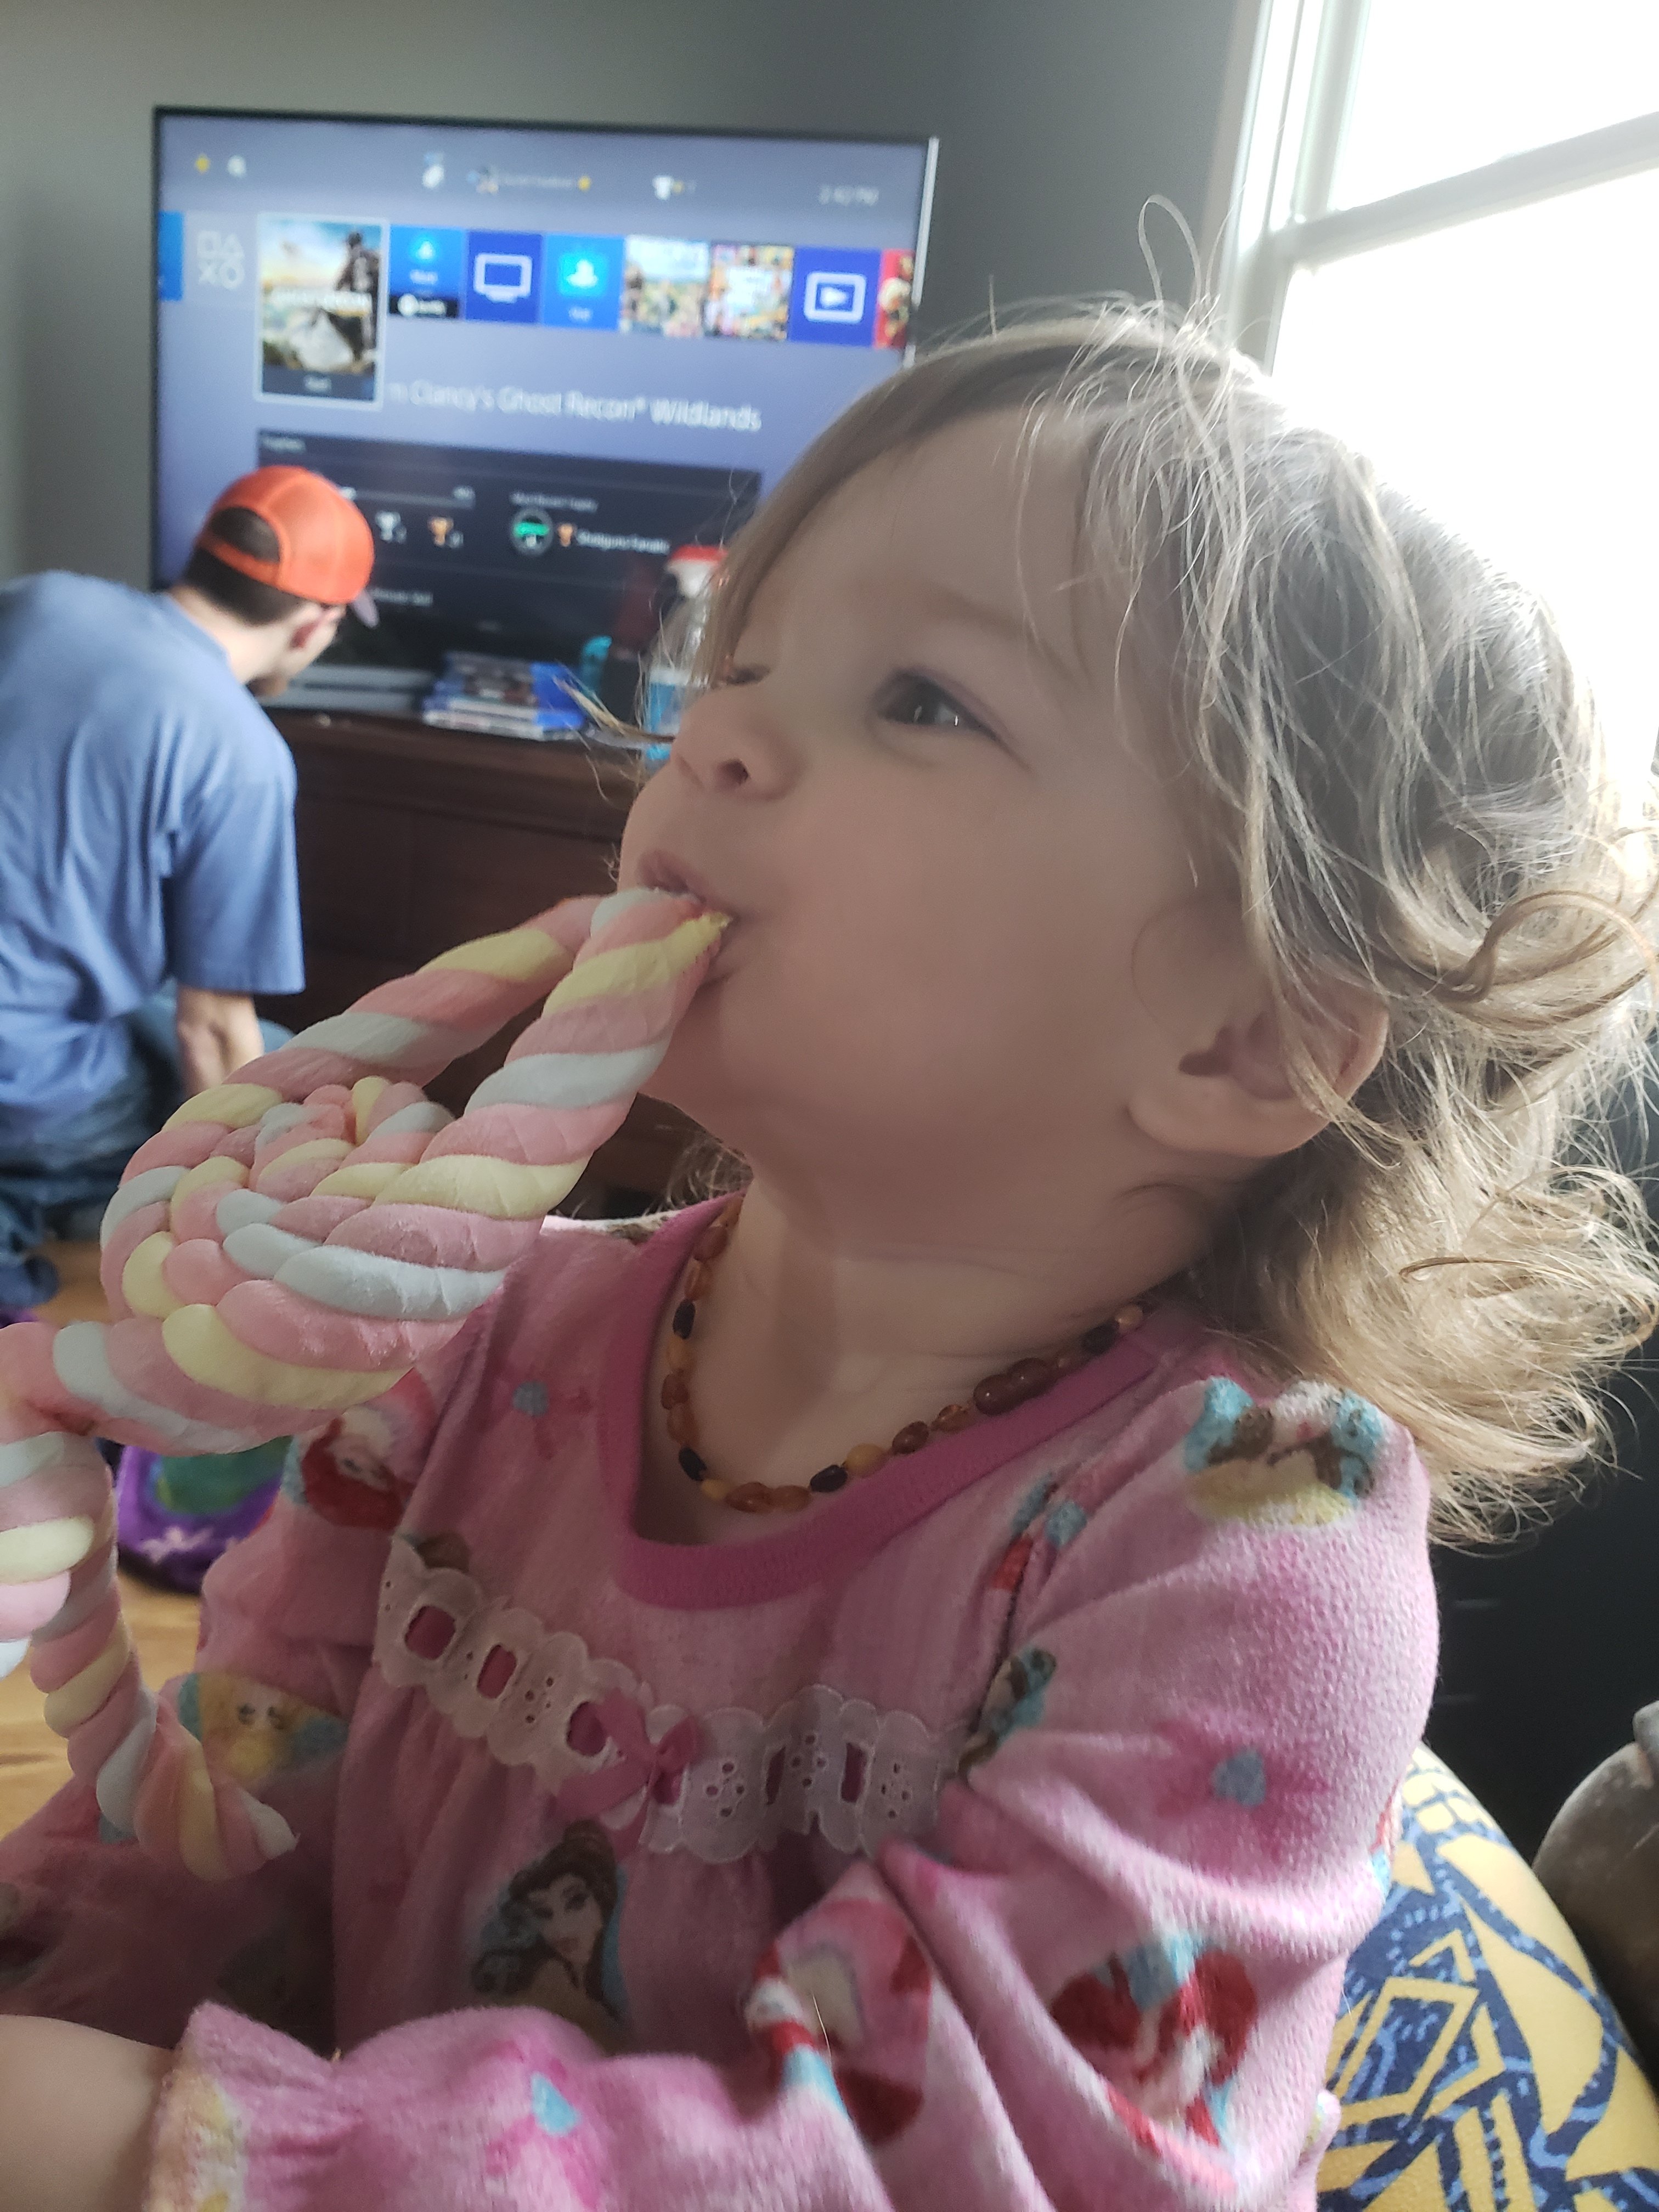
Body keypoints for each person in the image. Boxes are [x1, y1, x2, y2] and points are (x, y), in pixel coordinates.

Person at [0, 303, 1654, 2212]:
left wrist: (171, 2154)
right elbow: (221, 1840)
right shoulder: (474, 1343)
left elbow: (999, 2160)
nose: (712, 729)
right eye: (742, 660)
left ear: (1244, 1041)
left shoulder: (1243, 1548)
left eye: (922, 698)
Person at [0, 466, 375, 1309]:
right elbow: (212, 1030)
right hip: (22, 1086)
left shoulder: (38, 601)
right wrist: (249, 1221)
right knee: (280, 1063)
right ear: (316, 625)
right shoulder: (241, 755)